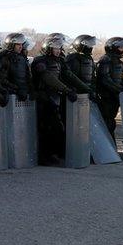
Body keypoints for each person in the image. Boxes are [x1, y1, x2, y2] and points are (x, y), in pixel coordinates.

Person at [31, 34, 78, 164]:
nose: (58, 50)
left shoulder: (58, 61)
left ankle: (52, 154)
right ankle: (43, 157)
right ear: (48, 48)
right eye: (55, 48)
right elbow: (48, 78)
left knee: (56, 128)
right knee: (46, 129)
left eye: (59, 48)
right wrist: (67, 90)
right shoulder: (40, 61)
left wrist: (76, 88)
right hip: (43, 99)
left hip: (54, 98)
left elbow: (65, 77)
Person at [96, 37, 123, 135]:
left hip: (115, 97)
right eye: (120, 47)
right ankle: (108, 145)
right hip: (106, 97)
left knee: (111, 122)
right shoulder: (106, 59)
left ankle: (111, 146)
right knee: (107, 122)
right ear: (113, 47)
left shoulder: (118, 61)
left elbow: (121, 78)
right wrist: (120, 90)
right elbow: (105, 80)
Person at [0, 33, 33, 101]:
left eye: (21, 44)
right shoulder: (5, 58)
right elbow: (2, 79)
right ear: (11, 45)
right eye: (18, 44)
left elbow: (27, 76)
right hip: (10, 97)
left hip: (22, 94)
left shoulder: (22, 58)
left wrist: (30, 89)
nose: (21, 47)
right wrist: (16, 88)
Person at [65, 35, 99, 102]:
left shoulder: (89, 58)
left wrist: (94, 89)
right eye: (89, 45)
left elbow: (92, 76)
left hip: (87, 93)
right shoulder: (72, 58)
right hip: (76, 95)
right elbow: (70, 77)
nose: (91, 47)